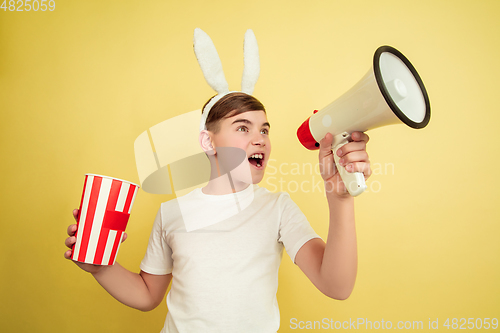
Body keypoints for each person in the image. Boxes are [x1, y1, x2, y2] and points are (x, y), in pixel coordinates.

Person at [64, 91, 371, 332]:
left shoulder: (277, 208)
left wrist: (340, 199)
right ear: (208, 141)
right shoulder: (171, 213)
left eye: (264, 130)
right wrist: (101, 268)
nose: (259, 138)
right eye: (242, 127)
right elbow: (147, 295)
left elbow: (337, 286)